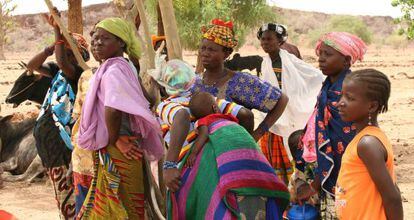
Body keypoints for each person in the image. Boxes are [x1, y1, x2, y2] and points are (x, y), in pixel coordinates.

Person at [76, 17, 164, 219]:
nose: (97, 43)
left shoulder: (113, 70)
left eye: (104, 39)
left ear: (121, 42)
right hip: (123, 143)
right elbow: (145, 98)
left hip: (121, 146)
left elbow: (113, 109)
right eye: (95, 39)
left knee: (123, 205)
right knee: (124, 202)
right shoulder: (125, 66)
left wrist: (115, 139)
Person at [294, 32, 367, 219]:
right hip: (327, 160)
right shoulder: (327, 86)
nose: (321, 59)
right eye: (320, 54)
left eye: (328, 54)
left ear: (346, 60)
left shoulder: (350, 88)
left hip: (350, 162)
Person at [29, 9, 90, 219]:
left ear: (81, 56)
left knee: (67, 190)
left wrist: (57, 31)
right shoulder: (58, 71)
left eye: (71, 51)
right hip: (49, 142)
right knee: (61, 190)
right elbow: (31, 66)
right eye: (65, 50)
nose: (66, 56)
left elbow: (64, 62)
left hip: (63, 143)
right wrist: (50, 48)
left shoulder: (79, 73)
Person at [256, 23, 324, 184]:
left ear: (280, 41)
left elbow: (313, 75)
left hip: (291, 110)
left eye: (269, 39)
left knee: (292, 144)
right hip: (274, 113)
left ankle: (297, 184)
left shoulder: (288, 60)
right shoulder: (266, 62)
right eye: (263, 39)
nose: (265, 43)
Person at [335, 69, 403, 220]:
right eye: (342, 95)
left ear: (371, 106)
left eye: (350, 98)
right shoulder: (363, 139)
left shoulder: (367, 143)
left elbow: (392, 197)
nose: (340, 103)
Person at [185, 92, 242, 167]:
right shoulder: (228, 117)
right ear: (215, 108)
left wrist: (193, 153)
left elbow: (203, 135)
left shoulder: (203, 121)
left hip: (224, 148)